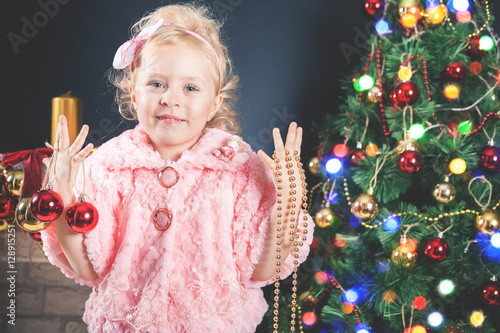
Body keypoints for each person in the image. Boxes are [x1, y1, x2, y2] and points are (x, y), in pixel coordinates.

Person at [40, 3, 313, 332]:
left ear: (214, 103)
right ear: (133, 93)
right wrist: (65, 200)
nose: (171, 98)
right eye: (156, 84)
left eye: (190, 88)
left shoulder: (239, 170)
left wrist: (286, 206)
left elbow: (261, 269)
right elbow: (87, 269)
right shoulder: (107, 168)